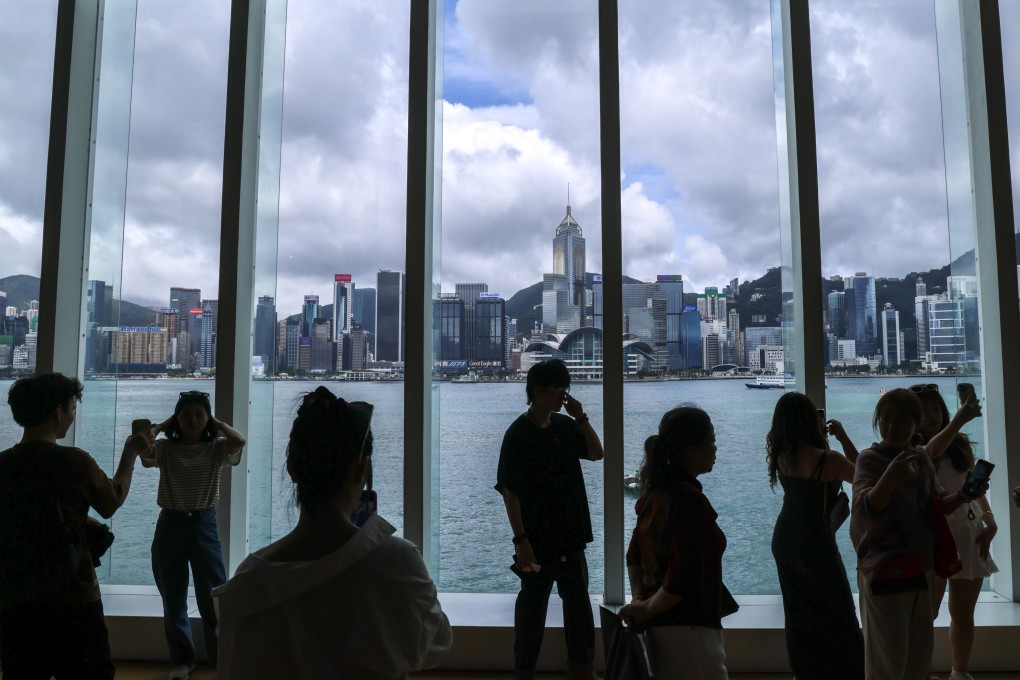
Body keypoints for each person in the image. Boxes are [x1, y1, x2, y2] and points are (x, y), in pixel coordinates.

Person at [212, 387, 451, 679]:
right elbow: (435, 647)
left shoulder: (248, 580)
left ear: (292, 470)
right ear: (362, 468)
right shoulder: (397, 562)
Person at [0, 373, 152, 679]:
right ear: (58, 412)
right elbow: (111, 501)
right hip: (73, 597)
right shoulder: (74, 462)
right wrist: (131, 452)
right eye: (71, 409)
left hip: (16, 598)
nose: (72, 416)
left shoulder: (4, 465)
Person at [850, 388, 983, 680]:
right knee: (887, 662)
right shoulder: (870, 459)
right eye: (885, 419)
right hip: (883, 572)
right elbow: (865, 509)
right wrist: (890, 478)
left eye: (901, 420)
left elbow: (935, 506)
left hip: (921, 570)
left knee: (919, 659)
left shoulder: (920, 459)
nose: (892, 427)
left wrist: (963, 495)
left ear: (915, 424)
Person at [495, 359, 604, 680]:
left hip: (571, 536)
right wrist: (520, 541)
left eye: (565, 390)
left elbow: (597, 453)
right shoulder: (517, 434)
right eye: (560, 390)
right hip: (537, 539)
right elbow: (509, 492)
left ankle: (582, 670)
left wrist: (580, 417)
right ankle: (524, 670)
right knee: (532, 610)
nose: (563, 396)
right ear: (539, 391)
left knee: (579, 608)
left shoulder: (565, 425)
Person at [138, 390, 246, 680]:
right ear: (177, 417)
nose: (193, 419)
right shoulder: (165, 449)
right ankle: (182, 661)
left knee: (213, 596)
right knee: (172, 598)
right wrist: (162, 425)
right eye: (186, 414)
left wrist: (217, 423)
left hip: (203, 524)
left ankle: (220, 659)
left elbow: (240, 441)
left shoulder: (217, 448)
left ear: (207, 417)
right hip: (170, 524)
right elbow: (143, 448)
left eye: (200, 414)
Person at [619, 406, 729, 680]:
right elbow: (683, 577)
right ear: (691, 450)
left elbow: (634, 555)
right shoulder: (691, 502)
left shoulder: (653, 494)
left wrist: (641, 601)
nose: (716, 449)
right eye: (712, 441)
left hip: (660, 627)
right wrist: (645, 607)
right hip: (690, 627)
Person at [767, 392, 864, 679]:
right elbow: (865, 477)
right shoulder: (827, 459)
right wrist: (843, 437)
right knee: (838, 612)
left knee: (798, 613)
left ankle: (806, 671)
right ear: (811, 420)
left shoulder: (784, 454)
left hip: (785, 539)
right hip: (815, 541)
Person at [912, 384, 996, 680]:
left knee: (963, 615)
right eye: (923, 410)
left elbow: (972, 484)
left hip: (969, 530)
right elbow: (928, 452)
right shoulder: (910, 448)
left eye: (935, 408)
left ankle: (959, 673)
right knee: (926, 615)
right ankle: (919, 672)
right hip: (934, 535)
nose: (931, 415)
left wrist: (991, 520)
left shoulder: (958, 443)